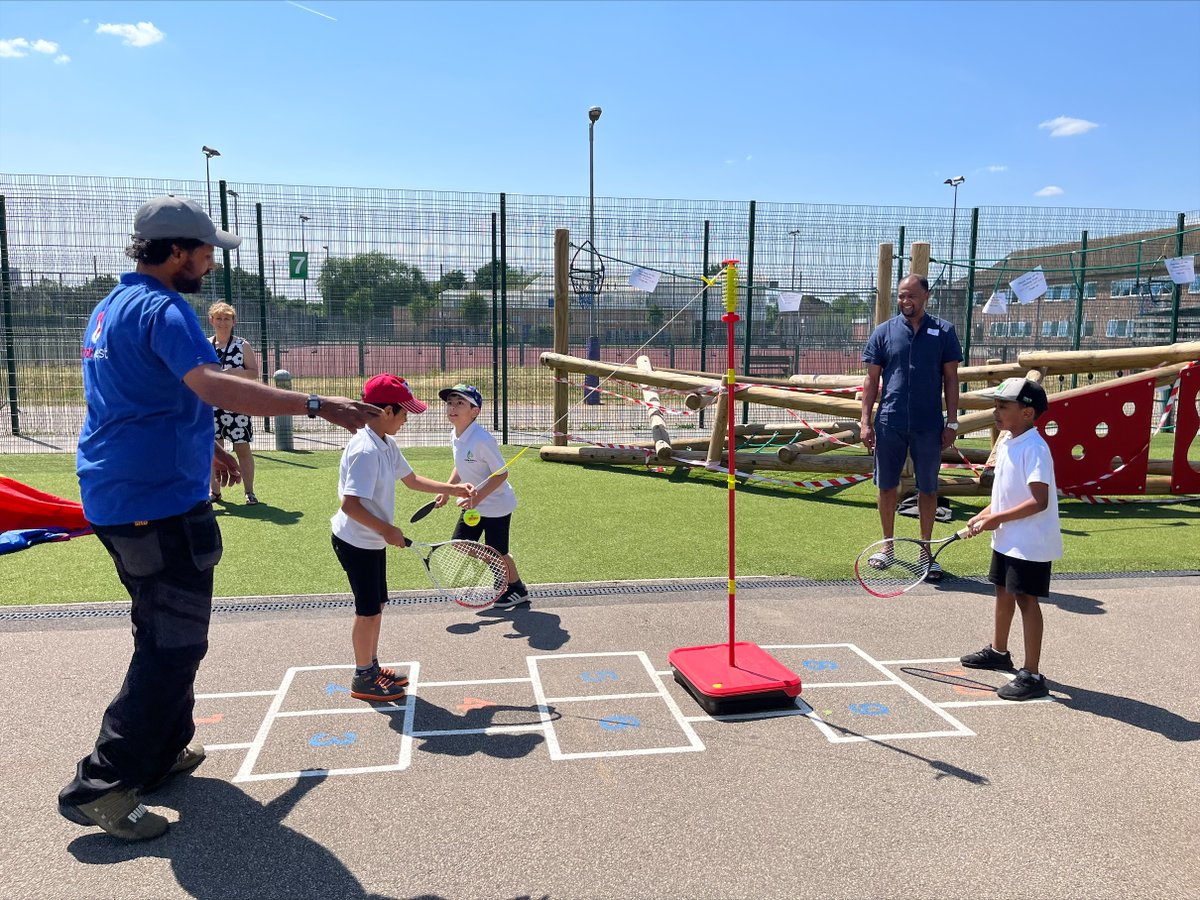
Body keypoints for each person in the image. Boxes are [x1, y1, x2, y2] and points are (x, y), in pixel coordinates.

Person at [61, 195, 379, 842]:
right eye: (207, 251)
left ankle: (163, 750)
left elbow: (139, 389)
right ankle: (101, 784)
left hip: (123, 494)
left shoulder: (110, 306)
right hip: (154, 504)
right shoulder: (164, 307)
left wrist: (201, 443)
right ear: (176, 252)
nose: (212, 262)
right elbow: (213, 383)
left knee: (163, 632)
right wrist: (316, 404)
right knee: (171, 645)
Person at [331, 374, 475, 701]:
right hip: (356, 541)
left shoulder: (385, 442)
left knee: (377, 604)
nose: (408, 418)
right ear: (384, 411)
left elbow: (411, 480)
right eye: (404, 412)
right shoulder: (366, 450)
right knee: (367, 610)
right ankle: (362, 675)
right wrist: (386, 529)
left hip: (370, 540)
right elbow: (350, 504)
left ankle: (371, 665)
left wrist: (452, 488)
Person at [960, 377, 1062, 701]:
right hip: (1008, 537)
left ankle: (1032, 675)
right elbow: (1005, 495)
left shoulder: (1035, 448)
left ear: (1028, 413)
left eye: (1003, 406)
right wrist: (984, 514)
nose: (996, 411)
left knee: (1026, 601)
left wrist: (996, 519)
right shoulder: (1006, 441)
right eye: (996, 405)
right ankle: (999, 651)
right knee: (1002, 592)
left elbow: (1039, 501)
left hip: (1030, 542)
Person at [859, 274, 963, 581]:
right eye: (902, 296)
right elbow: (871, 380)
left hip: (929, 425)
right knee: (886, 485)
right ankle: (887, 547)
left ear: (926, 296)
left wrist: (952, 421)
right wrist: (865, 421)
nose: (906, 302)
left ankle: (926, 554)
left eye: (911, 296)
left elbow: (951, 379)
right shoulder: (884, 332)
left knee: (928, 488)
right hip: (889, 422)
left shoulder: (944, 332)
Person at [434, 383, 529, 609]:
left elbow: (501, 474)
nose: (452, 408)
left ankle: (517, 588)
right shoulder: (455, 434)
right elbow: (460, 466)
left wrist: (477, 498)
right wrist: (447, 490)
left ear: (474, 411)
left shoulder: (482, 440)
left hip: (496, 505)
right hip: (474, 504)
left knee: (499, 551)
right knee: (460, 543)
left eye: (460, 403)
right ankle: (500, 571)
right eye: (450, 403)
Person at [207, 302, 260, 504]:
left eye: (227, 318)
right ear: (212, 320)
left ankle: (249, 492)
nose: (223, 322)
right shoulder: (204, 344)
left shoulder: (242, 345)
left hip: (237, 406)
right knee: (214, 450)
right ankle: (215, 492)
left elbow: (254, 373)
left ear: (233, 321)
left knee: (242, 448)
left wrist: (239, 373)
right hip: (211, 406)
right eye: (219, 318)